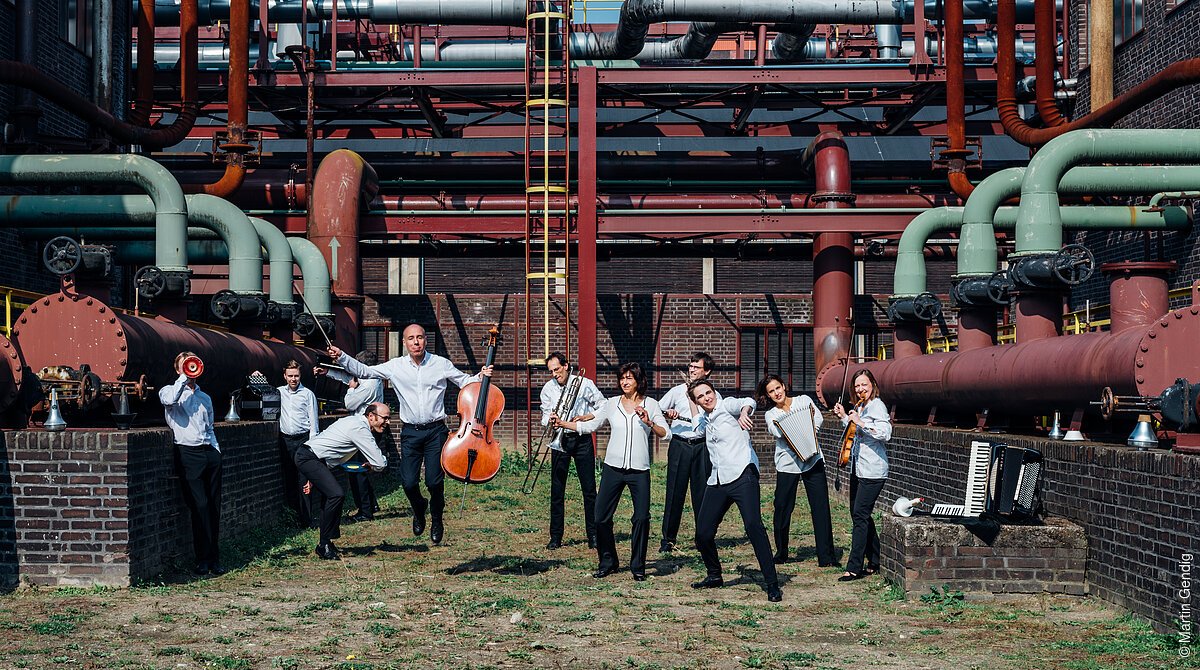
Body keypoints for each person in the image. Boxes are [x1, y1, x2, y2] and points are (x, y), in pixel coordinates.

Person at [327, 323, 492, 545]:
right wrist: (342, 357)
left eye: (420, 337)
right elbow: (365, 371)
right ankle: (419, 508)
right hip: (411, 433)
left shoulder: (440, 364)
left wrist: (481, 376)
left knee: (434, 482)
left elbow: (464, 381)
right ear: (404, 343)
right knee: (408, 482)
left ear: (426, 340)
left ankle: (437, 519)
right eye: (411, 338)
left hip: (435, 431)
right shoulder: (395, 366)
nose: (416, 342)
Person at [554, 363, 668, 581]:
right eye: (622, 378)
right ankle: (608, 562)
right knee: (600, 518)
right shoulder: (612, 403)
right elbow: (590, 426)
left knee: (641, 518)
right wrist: (563, 424)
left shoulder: (651, 404)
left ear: (639, 381)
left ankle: (638, 567)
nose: (624, 382)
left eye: (629, 378)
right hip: (613, 468)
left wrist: (649, 422)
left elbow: (666, 433)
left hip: (639, 470)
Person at [687, 379, 782, 602]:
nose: (706, 398)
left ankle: (772, 584)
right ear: (696, 402)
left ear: (714, 391)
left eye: (708, 393)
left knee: (753, 526)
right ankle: (714, 575)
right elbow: (695, 428)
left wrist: (744, 413)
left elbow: (747, 402)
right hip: (718, 479)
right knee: (703, 534)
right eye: (700, 397)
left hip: (742, 474)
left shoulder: (726, 405)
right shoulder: (705, 419)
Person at [759, 374, 837, 567]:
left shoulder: (803, 400)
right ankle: (781, 552)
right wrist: (795, 432)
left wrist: (808, 436)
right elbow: (777, 431)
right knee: (782, 506)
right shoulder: (771, 414)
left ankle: (826, 557)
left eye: (778, 388)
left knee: (820, 507)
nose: (776, 393)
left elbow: (817, 419)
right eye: (771, 391)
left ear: (784, 386)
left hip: (813, 458)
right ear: (768, 395)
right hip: (788, 464)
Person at [298, 402, 390, 559]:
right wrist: (375, 465)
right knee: (336, 494)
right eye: (385, 418)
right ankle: (323, 545)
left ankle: (326, 542)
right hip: (310, 458)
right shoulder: (360, 428)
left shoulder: (353, 421)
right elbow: (380, 463)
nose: (387, 422)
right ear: (371, 416)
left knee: (332, 496)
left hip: (315, 457)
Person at [159, 352, 223, 576]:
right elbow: (169, 401)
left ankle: (214, 559)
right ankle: (202, 559)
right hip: (188, 453)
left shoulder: (205, 397)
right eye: (185, 364)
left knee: (213, 506)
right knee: (199, 506)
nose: (190, 367)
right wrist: (184, 377)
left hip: (209, 453)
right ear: (177, 369)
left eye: (193, 363)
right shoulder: (169, 391)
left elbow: (210, 427)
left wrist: (216, 450)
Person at [539, 353, 605, 550]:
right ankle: (555, 536)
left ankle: (594, 535)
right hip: (560, 439)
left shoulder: (584, 383)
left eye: (557, 369)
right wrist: (549, 420)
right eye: (551, 371)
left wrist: (588, 417)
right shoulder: (548, 388)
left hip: (581, 439)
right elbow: (544, 415)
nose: (554, 374)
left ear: (566, 366)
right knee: (557, 490)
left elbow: (603, 405)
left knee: (589, 489)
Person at [833, 369, 892, 582]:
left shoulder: (877, 405)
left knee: (859, 515)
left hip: (873, 470)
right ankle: (875, 560)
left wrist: (861, 422)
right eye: (857, 386)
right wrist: (844, 417)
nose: (860, 389)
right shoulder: (860, 406)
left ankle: (854, 567)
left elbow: (886, 433)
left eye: (864, 385)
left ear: (872, 385)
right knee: (860, 514)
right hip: (858, 469)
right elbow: (855, 433)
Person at [657, 351, 715, 553]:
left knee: (702, 494)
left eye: (696, 367)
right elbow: (656, 411)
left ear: (707, 371)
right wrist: (668, 414)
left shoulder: (712, 395)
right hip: (680, 445)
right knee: (674, 493)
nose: (691, 370)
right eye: (690, 366)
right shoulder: (676, 391)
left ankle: (703, 539)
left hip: (702, 446)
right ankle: (668, 540)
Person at [317, 351, 385, 522]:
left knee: (357, 471)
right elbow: (349, 378)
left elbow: (349, 403)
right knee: (362, 468)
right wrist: (328, 372)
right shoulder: (370, 378)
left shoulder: (369, 384)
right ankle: (371, 504)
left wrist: (351, 390)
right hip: (365, 430)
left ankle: (365, 511)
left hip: (363, 432)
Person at [277, 360, 320, 528]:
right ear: (284, 376)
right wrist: (257, 377)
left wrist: (312, 445)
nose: (293, 379)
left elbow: (314, 422)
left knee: (304, 479)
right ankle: (293, 517)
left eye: (296, 375)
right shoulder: (279, 392)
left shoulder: (308, 394)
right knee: (289, 478)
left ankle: (307, 519)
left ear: (300, 375)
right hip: (286, 440)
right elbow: (263, 393)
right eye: (290, 376)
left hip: (303, 440)